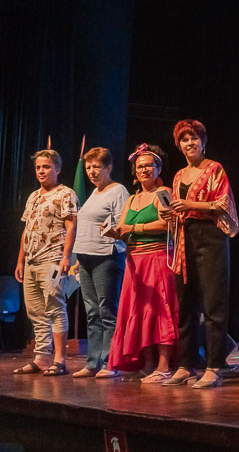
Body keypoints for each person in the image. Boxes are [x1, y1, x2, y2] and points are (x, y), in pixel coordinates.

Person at [161, 120, 239, 389]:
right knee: (185, 304)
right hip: (185, 237)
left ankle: (214, 367)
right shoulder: (179, 175)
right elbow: (178, 207)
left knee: (213, 304)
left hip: (211, 237)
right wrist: (169, 212)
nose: (190, 143)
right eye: (184, 139)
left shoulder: (214, 169)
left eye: (194, 138)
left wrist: (190, 204)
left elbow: (222, 204)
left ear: (203, 142)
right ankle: (186, 365)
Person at [107, 144, 179, 383]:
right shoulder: (133, 198)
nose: (145, 169)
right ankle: (148, 364)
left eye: (150, 165)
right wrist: (114, 232)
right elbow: (124, 229)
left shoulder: (164, 193)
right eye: (140, 166)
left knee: (160, 312)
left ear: (159, 168)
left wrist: (134, 228)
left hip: (157, 258)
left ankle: (164, 365)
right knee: (139, 312)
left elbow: (168, 224)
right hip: (135, 263)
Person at [13, 149, 78, 377]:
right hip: (31, 261)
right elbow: (26, 229)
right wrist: (21, 260)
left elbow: (71, 225)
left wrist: (66, 256)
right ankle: (41, 357)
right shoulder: (33, 196)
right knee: (35, 311)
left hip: (52, 260)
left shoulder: (65, 194)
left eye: (46, 167)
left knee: (55, 307)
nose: (41, 171)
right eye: (39, 167)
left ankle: (59, 359)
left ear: (57, 169)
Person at [71, 147, 129, 378]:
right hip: (84, 256)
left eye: (97, 167)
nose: (92, 172)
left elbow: (122, 225)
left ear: (109, 167)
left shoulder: (118, 191)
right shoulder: (94, 193)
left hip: (106, 256)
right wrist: (76, 259)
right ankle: (93, 361)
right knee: (92, 311)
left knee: (107, 311)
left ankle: (109, 362)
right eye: (88, 168)